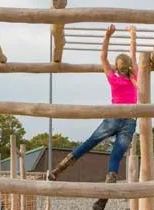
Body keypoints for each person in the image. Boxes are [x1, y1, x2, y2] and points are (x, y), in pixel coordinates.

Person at [47, 24, 138, 210]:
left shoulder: (113, 78)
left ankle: (58, 170)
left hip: (113, 117)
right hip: (130, 120)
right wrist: (132, 34)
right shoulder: (134, 75)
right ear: (129, 66)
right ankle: (103, 197)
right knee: (115, 158)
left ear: (116, 67)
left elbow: (102, 56)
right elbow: (134, 54)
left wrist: (107, 36)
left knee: (90, 142)